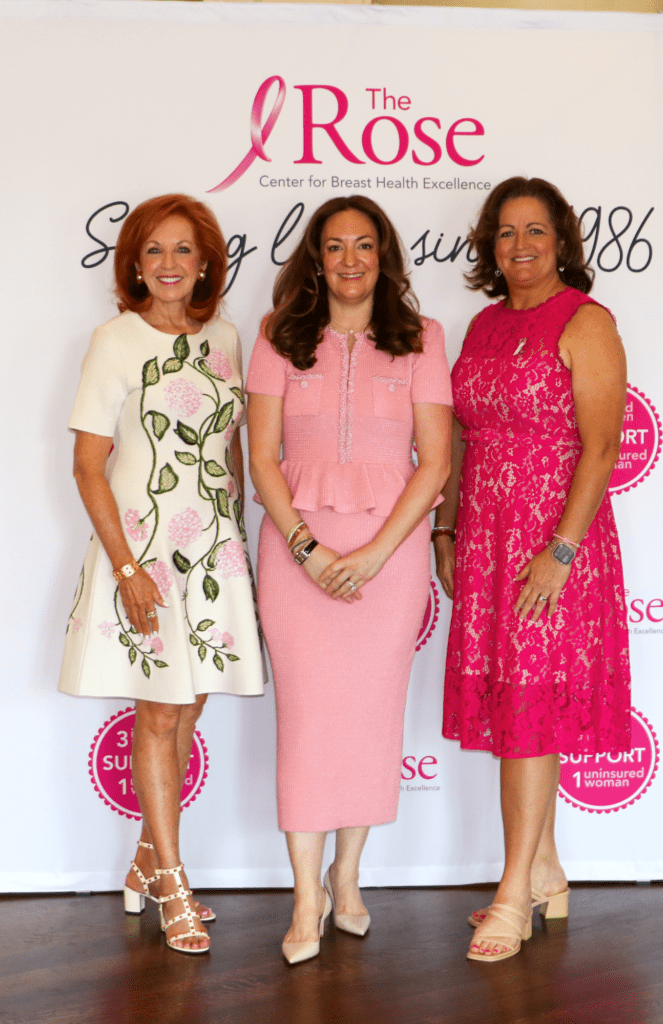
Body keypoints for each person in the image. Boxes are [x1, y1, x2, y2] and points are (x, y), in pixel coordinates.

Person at [246, 195, 452, 964]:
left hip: (387, 558)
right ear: (316, 258)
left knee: (368, 719)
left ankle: (348, 878)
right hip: (297, 557)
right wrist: (306, 549)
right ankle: (304, 897)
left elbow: (434, 459)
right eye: (335, 247)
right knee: (305, 722)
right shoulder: (276, 336)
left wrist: (371, 555)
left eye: (364, 246)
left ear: (383, 256)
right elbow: (260, 455)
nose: (350, 260)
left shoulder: (422, 338)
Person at [59, 194, 264, 954]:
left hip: (212, 554)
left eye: (184, 250)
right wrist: (125, 567)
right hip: (140, 553)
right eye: (154, 251)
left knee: (190, 705)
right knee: (157, 713)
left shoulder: (227, 337)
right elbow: (87, 466)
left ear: (206, 261)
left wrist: (237, 540)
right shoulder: (113, 340)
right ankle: (173, 880)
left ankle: (147, 856)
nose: (170, 264)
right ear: (134, 264)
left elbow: (232, 450)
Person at [435, 177, 631, 963]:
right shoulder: (480, 325)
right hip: (484, 535)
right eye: (505, 233)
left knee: (528, 718)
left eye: (535, 232)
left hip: (552, 543)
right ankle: (546, 871)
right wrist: (447, 529)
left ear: (561, 243)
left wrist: (558, 552)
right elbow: (456, 435)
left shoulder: (586, 321)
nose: (519, 247)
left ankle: (512, 892)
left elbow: (603, 447)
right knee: (519, 710)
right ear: (489, 245)